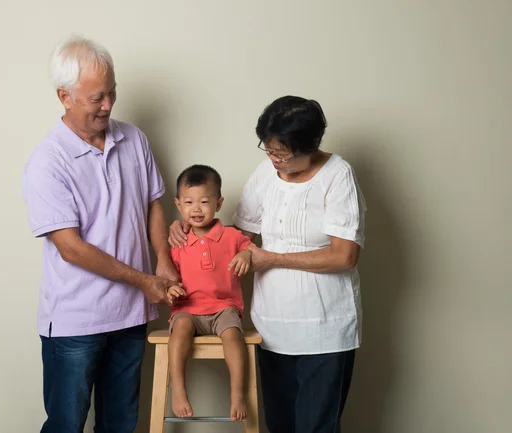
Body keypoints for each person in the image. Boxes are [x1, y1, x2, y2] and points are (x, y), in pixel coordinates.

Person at [169, 96, 366, 433]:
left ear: (312, 144)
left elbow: (345, 255)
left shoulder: (338, 176)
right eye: (269, 149)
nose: (273, 158)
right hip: (272, 328)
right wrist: (187, 227)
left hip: (325, 330)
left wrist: (272, 258)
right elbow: (236, 237)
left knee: (316, 426)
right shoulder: (266, 173)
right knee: (279, 425)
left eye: (282, 153)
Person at [22, 36, 183, 433]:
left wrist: (163, 260)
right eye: (97, 97)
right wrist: (145, 280)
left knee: (120, 424)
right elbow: (72, 249)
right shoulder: (47, 162)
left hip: (130, 317)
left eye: (112, 92)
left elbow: (153, 206)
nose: (109, 105)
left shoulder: (134, 139)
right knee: (66, 425)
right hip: (76, 321)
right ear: (65, 96)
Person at [165, 164, 252, 421]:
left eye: (204, 201)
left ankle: (237, 393)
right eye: (189, 202)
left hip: (224, 306)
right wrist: (171, 289)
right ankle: (178, 391)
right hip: (188, 309)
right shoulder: (178, 242)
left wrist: (246, 254)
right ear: (178, 205)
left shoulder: (232, 236)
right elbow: (170, 278)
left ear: (219, 203)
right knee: (179, 331)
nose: (196, 208)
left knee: (233, 337)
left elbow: (251, 250)